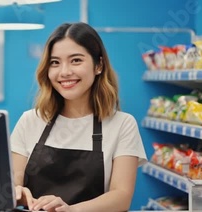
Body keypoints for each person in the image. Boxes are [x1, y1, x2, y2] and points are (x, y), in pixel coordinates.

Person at [10, 22, 147, 212]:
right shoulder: (30, 121)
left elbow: (121, 196)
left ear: (98, 65)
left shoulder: (122, 124)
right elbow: (13, 182)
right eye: (55, 62)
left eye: (76, 60)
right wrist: (17, 193)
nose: (64, 72)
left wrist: (70, 210)